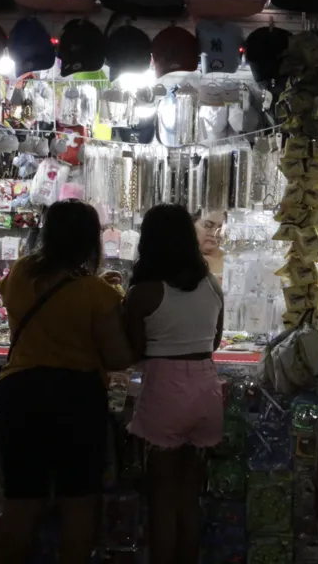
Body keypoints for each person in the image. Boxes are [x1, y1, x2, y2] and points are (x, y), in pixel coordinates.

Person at [0, 199, 134, 564]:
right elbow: (119, 357)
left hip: (21, 392)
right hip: (75, 396)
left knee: (21, 498)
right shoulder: (97, 293)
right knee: (78, 499)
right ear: (91, 241)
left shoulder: (22, 271)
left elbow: (12, 299)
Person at [125, 204, 225, 564]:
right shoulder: (212, 285)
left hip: (165, 391)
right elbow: (214, 343)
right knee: (189, 495)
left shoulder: (144, 293)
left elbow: (132, 352)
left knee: (162, 499)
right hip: (207, 390)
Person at [193, 209, 226, 282]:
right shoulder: (179, 260)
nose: (214, 233)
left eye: (221, 228)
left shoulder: (233, 259)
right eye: (208, 225)